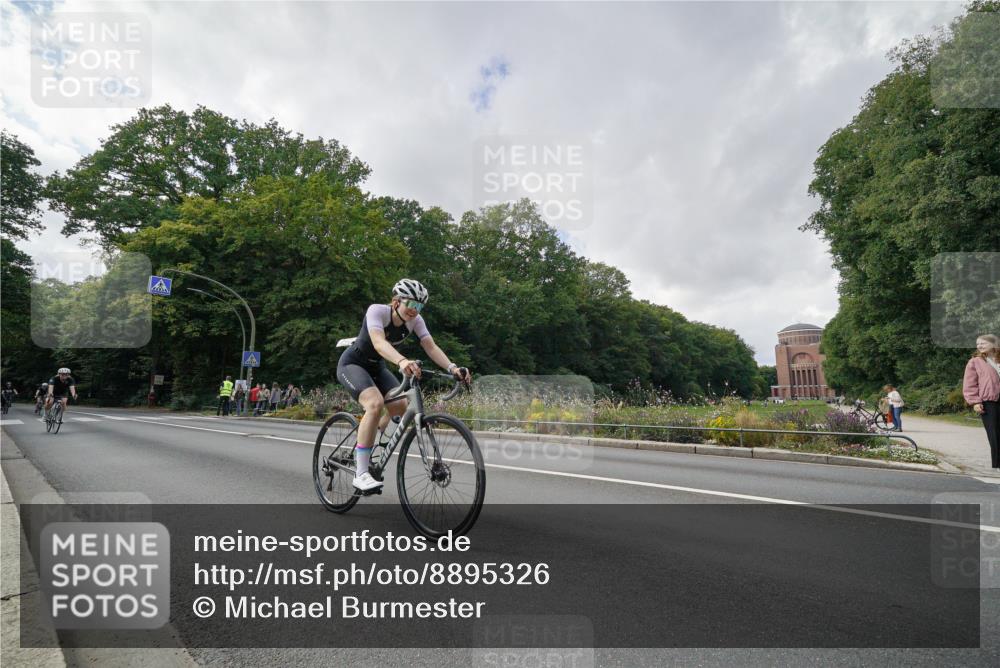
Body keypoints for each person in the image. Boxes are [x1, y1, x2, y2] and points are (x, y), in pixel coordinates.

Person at [336, 278, 470, 491]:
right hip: (353, 363)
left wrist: (452, 368)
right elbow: (379, 343)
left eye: (420, 306)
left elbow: (431, 347)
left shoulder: (416, 321)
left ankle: (372, 437)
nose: (415, 310)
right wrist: (401, 360)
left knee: (400, 407)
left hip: (378, 368)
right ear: (396, 301)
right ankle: (361, 473)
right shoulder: (377, 311)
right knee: (374, 403)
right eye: (412, 304)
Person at [963, 334, 1000, 470]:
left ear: (994, 344)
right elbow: (970, 384)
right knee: (994, 434)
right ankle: (998, 465)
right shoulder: (975, 362)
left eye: (983, 343)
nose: (979, 346)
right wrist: (975, 402)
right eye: (978, 344)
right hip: (988, 402)